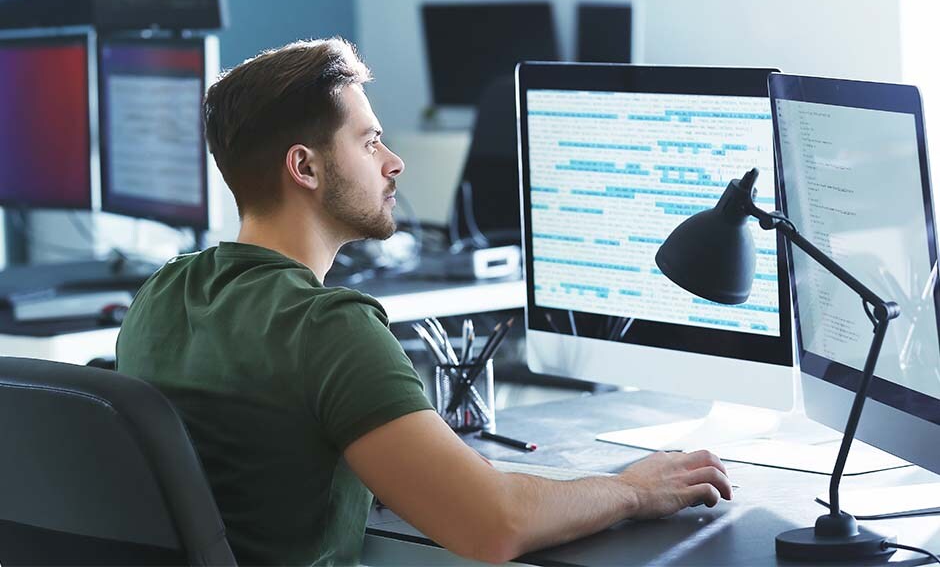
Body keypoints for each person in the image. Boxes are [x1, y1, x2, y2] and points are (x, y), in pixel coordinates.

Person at [116, 38, 732, 566]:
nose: (394, 163)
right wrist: (633, 491)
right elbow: (495, 522)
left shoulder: (160, 294)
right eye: (369, 142)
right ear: (304, 167)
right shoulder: (328, 326)